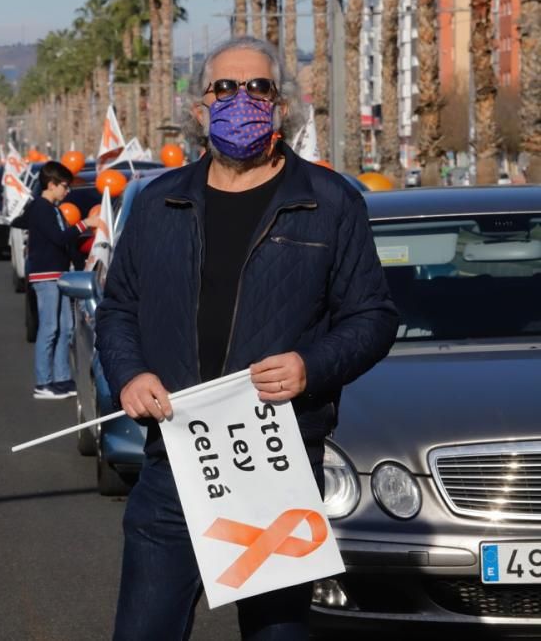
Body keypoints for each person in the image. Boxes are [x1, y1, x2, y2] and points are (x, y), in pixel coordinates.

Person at [95, 37, 399, 640]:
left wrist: (311, 366)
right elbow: (117, 310)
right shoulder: (159, 203)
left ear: (280, 106)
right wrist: (131, 373)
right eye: (224, 88)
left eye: (257, 87)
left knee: (276, 634)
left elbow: (373, 318)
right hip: (175, 465)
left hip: (275, 469)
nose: (241, 99)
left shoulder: (329, 202)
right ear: (201, 108)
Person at [27, 161, 100, 400]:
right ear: (51, 184)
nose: (67, 191)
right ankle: (43, 382)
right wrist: (84, 224)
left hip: (59, 274)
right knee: (49, 328)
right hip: (45, 275)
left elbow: (65, 243)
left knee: (66, 328)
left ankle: (61, 378)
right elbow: (58, 238)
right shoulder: (40, 208)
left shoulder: (54, 209)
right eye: (64, 186)